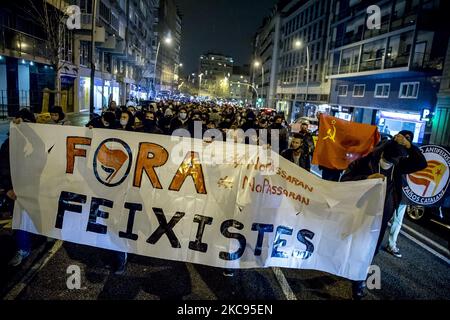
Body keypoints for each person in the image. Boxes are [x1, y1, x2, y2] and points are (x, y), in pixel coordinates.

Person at [340, 132, 427, 299]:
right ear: (383, 154)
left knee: (371, 249)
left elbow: (421, 163)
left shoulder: (398, 165)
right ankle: (346, 268)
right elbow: (345, 181)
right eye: (390, 160)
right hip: (360, 213)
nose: (393, 163)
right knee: (353, 245)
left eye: (397, 160)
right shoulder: (365, 162)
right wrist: (367, 178)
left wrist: (409, 146)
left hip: (381, 217)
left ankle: (359, 282)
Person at [386, 130, 416, 258]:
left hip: (402, 193)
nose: (405, 140)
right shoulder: (392, 148)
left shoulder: (413, 154)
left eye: (408, 139)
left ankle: (392, 244)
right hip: (389, 190)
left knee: (397, 221)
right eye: (403, 138)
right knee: (381, 217)